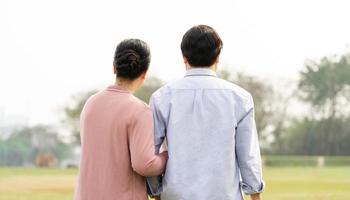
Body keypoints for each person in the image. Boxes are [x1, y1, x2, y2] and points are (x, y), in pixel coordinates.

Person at [147, 25, 265, 200]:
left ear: (184, 57)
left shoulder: (161, 98)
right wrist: (255, 195)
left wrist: (156, 193)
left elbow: (152, 152)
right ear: (218, 56)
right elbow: (248, 156)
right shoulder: (240, 98)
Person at [74, 39, 168, 200]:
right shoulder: (140, 111)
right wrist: (167, 156)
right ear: (144, 74)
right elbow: (144, 164)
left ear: (114, 67)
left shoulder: (91, 104)